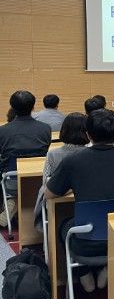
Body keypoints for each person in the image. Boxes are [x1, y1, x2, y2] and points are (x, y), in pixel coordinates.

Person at [45, 109, 114, 292]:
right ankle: (108, 268)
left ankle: (83, 273)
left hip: (86, 243)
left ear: (88, 135)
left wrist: (73, 186)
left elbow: (49, 193)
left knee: (63, 226)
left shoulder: (72, 161)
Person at [0, 91, 52, 227]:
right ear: (33, 107)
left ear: (12, 107)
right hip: (39, 179)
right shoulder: (45, 129)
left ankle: (11, 203)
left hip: (11, 180)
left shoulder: (3, 131)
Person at [34, 113, 89, 228]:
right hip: (86, 205)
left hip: (58, 203)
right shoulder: (92, 154)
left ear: (64, 131)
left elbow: (46, 182)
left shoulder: (53, 154)